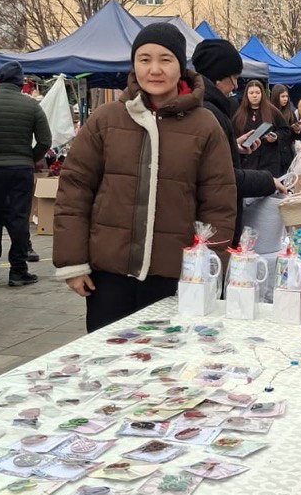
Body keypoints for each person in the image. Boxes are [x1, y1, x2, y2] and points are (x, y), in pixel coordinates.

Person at [53, 23, 236, 332]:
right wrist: (72, 263)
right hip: (108, 275)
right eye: (144, 59)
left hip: (174, 275)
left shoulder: (204, 125)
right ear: (134, 64)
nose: (154, 69)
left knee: (168, 368)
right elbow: (75, 190)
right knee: (108, 364)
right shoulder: (107, 119)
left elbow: (219, 204)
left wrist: (208, 270)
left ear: (181, 67)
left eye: (165, 59)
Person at [0, 61, 51, 287]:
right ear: (21, 82)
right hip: (21, 170)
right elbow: (45, 140)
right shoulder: (32, 106)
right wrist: (29, 157)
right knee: (19, 219)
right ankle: (18, 270)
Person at [191, 38, 283, 237]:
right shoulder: (210, 112)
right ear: (217, 76)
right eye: (232, 77)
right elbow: (221, 177)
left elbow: (210, 158)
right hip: (214, 222)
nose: (234, 85)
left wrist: (233, 146)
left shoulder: (209, 107)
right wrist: (268, 181)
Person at [232, 79, 291, 177]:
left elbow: (286, 130)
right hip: (247, 161)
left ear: (262, 94)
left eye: (257, 92)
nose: (254, 95)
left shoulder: (272, 111)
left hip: (268, 161)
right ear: (246, 94)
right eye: (251, 93)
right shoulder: (239, 113)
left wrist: (275, 136)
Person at [272, 84, 300, 174]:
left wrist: (297, 130)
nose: (285, 99)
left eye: (287, 96)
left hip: (288, 153)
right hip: (274, 153)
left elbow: (298, 137)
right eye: (282, 96)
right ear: (276, 96)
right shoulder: (270, 112)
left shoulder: (290, 112)